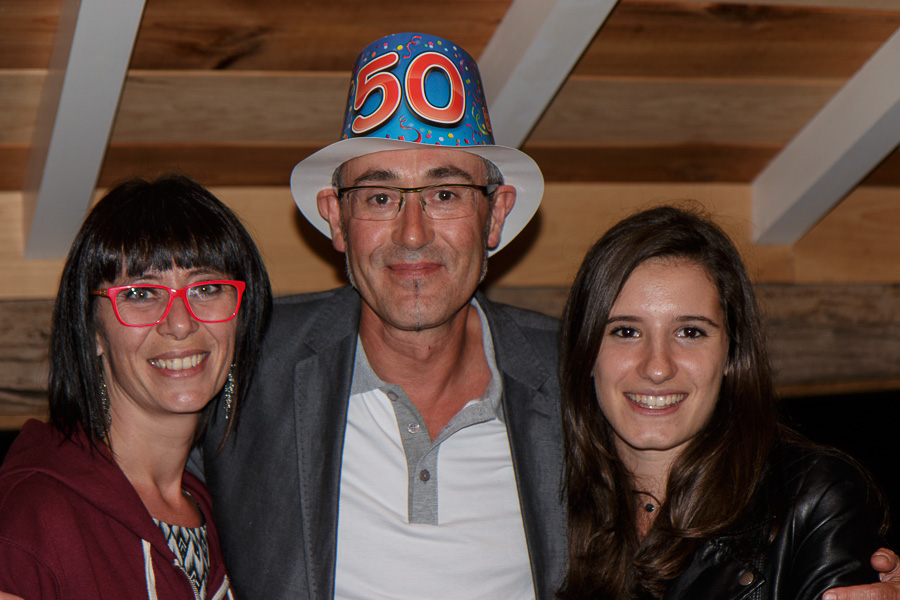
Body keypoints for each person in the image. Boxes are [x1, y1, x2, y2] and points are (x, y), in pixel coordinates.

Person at [198, 32, 900, 600]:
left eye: (446, 193)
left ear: (495, 215)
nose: (412, 234)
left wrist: (830, 556)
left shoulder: (574, 374)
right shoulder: (245, 359)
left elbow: (711, 498)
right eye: (380, 197)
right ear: (336, 218)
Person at [557, 205, 889, 599]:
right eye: (626, 331)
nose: (657, 367)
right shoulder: (536, 500)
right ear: (586, 351)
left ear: (732, 351)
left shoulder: (812, 498)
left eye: (690, 332)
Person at [0, 174, 272, 599]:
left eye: (207, 288)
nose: (180, 323)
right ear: (92, 330)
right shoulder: (32, 518)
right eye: (142, 294)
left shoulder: (223, 513)